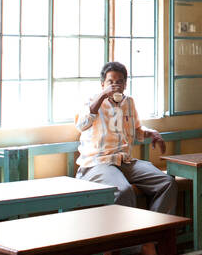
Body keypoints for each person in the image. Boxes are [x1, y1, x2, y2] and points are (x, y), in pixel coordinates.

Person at [75, 61, 177, 214]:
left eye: (120, 82)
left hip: (125, 161)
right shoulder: (92, 101)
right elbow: (81, 125)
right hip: (97, 163)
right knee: (123, 190)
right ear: (102, 84)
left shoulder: (129, 102)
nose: (115, 86)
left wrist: (151, 133)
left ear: (125, 84)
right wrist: (103, 96)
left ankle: (157, 230)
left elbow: (136, 130)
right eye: (110, 82)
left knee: (167, 182)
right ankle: (127, 236)